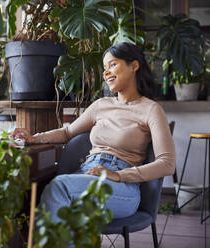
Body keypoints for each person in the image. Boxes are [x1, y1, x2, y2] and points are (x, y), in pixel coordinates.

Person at [11, 42, 176, 223]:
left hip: (121, 187)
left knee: (58, 188)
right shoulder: (101, 105)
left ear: (134, 66)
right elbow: (67, 132)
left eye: (112, 64)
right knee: (33, 189)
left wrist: (119, 175)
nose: (105, 73)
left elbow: (167, 163)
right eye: (104, 68)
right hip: (86, 173)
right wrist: (33, 138)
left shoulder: (151, 109)